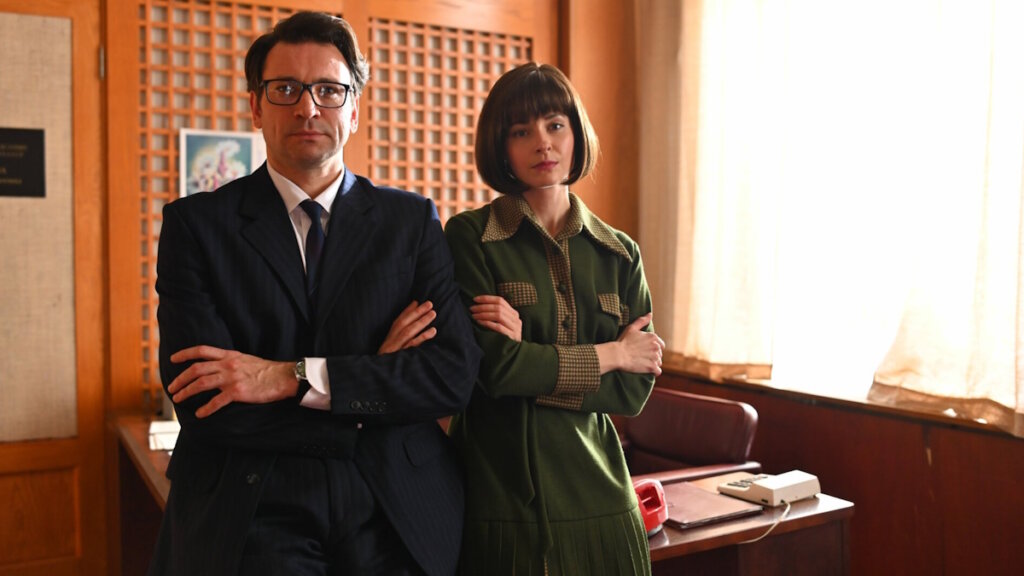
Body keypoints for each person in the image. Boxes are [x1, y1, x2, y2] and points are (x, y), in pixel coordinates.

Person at [149, 11, 481, 576]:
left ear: (354, 109)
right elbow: (203, 401)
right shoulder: (196, 226)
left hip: (394, 504)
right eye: (286, 89)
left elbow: (451, 375)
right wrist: (369, 380)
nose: (308, 108)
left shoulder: (410, 222)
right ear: (256, 107)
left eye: (329, 90)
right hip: (252, 502)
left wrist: (288, 376)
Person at [444, 62, 666, 575]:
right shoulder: (470, 237)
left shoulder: (619, 252)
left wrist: (532, 363)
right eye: (521, 131)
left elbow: (633, 392)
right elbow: (495, 371)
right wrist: (612, 354)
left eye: (555, 125)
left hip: (606, 502)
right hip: (501, 504)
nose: (542, 143)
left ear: (575, 133)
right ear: (501, 147)